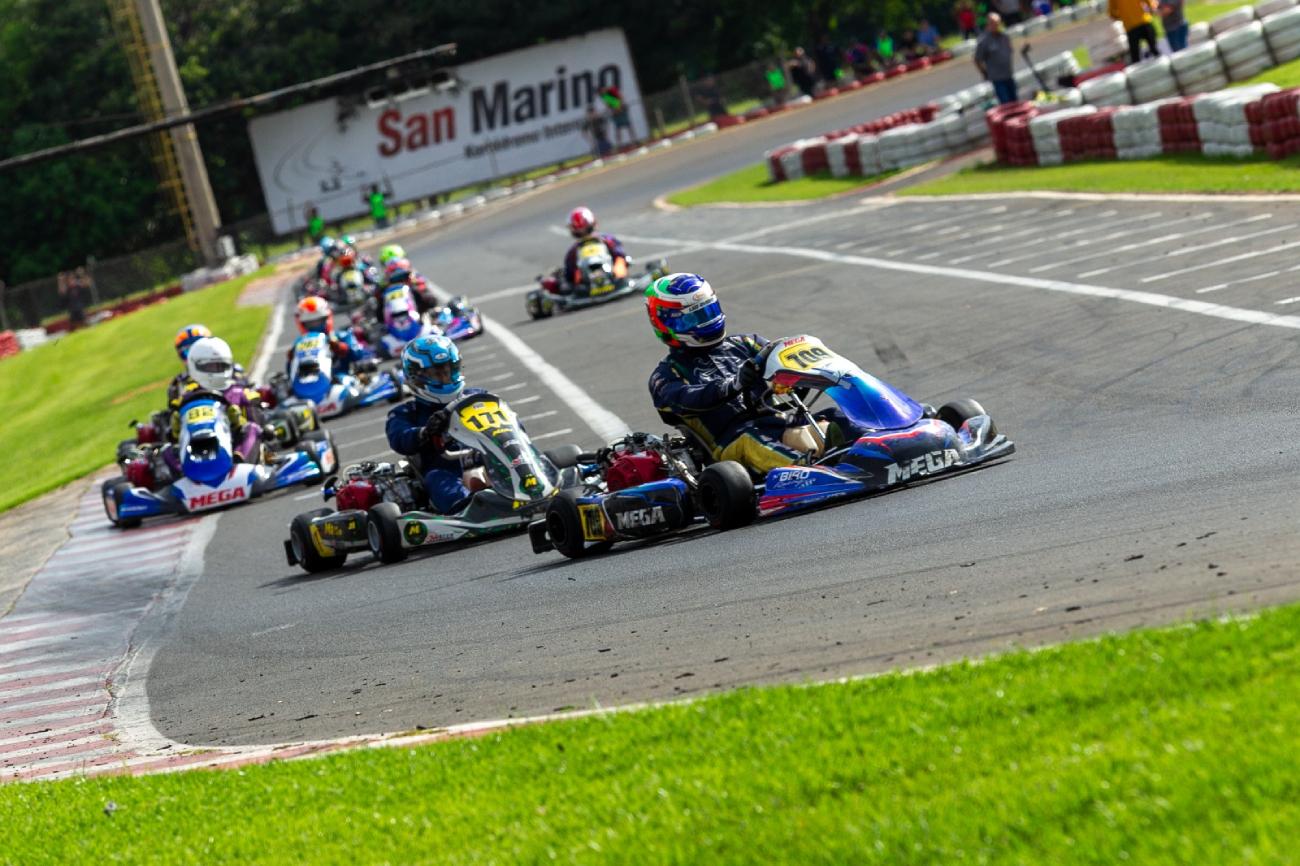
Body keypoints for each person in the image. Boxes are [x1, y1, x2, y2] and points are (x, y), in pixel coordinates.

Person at [645, 274, 860, 476]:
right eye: (692, 319)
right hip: (730, 445)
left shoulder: (745, 344)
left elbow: (783, 359)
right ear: (665, 324)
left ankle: (869, 445)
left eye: (708, 312)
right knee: (751, 438)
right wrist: (734, 384)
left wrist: (794, 376)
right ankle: (810, 470)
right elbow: (691, 399)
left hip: (779, 422)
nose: (705, 322)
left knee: (834, 416)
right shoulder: (665, 375)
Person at [386, 335, 484, 514]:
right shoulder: (406, 413)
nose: (445, 378)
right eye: (437, 374)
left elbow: (511, 424)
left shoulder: (476, 396)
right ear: (417, 377)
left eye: (448, 371)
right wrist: (425, 432)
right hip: (446, 469)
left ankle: (535, 485)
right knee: (437, 478)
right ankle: (468, 507)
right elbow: (399, 438)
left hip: (488, 459)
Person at [174, 336, 266, 465]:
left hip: (233, 450)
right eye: (210, 367)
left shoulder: (242, 394)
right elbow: (174, 438)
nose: (216, 370)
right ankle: (181, 474)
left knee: (252, 429)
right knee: (166, 450)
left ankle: (240, 464)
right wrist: (175, 429)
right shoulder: (188, 397)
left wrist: (237, 423)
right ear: (194, 365)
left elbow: (261, 428)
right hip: (197, 448)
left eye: (221, 365)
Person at [291, 296, 372, 376]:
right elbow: (292, 372)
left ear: (326, 319)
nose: (315, 326)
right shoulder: (299, 344)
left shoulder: (342, 336)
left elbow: (358, 355)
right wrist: (292, 358)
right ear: (303, 324)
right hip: (314, 382)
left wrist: (341, 348)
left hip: (342, 377)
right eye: (310, 323)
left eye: (318, 321)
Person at [561, 206, 627, 291]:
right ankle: (581, 287)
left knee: (619, 260)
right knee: (575, 273)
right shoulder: (574, 250)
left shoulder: (605, 239)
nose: (581, 230)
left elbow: (620, 253)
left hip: (610, 269)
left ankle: (619, 278)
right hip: (585, 279)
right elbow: (569, 271)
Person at [975, 13, 1019, 104]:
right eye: (994, 23)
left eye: (998, 23)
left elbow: (1009, 51)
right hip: (997, 78)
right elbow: (977, 59)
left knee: (1015, 101)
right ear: (989, 25)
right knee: (1006, 102)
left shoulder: (1004, 37)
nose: (996, 26)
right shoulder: (984, 41)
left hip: (1008, 74)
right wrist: (985, 73)